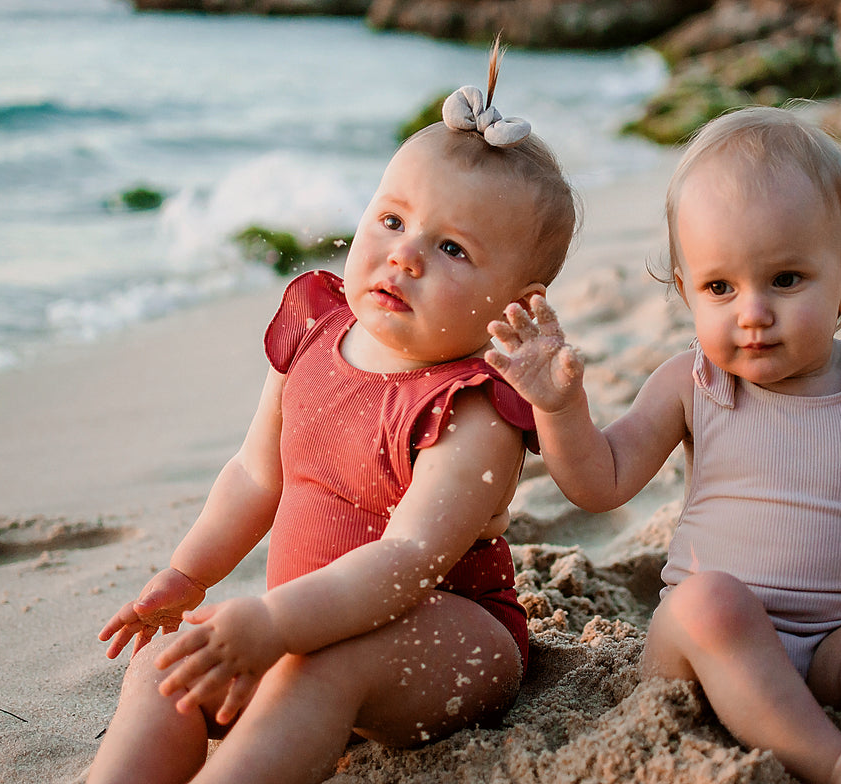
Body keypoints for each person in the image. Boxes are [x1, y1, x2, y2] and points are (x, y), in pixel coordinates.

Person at [486, 105, 841, 784]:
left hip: (838, 639)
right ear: (687, 292)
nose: (753, 312)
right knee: (714, 601)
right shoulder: (693, 383)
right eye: (721, 287)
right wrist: (560, 407)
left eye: (785, 280)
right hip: (705, 644)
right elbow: (601, 481)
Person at [87, 42, 577, 784]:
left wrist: (278, 623)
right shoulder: (316, 336)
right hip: (308, 622)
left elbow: (408, 561)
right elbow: (256, 476)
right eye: (391, 220)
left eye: (451, 248)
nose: (404, 256)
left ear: (518, 304)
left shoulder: (472, 409)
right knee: (171, 662)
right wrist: (188, 574)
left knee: (316, 670)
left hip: (451, 639)